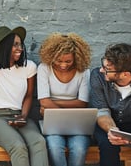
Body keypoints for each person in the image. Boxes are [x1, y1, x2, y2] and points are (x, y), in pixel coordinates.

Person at [0, 26, 49, 166]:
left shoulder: (29, 67)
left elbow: (29, 95)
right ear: (4, 47)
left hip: (19, 115)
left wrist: (23, 116)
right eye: (15, 44)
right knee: (18, 146)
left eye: (20, 44)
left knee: (39, 142)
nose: (20, 48)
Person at [37, 32, 92, 166]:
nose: (63, 65)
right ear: (51, 56)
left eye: (68, 61)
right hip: (53, 123)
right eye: (59, 61)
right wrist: (50, 105)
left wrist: (52, 104)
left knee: (78, 149)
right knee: (55, 148)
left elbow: (83, 103)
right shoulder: (44, 69)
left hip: (77, 123)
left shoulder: (84, 71)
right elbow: (43, 101)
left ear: (76, 58)